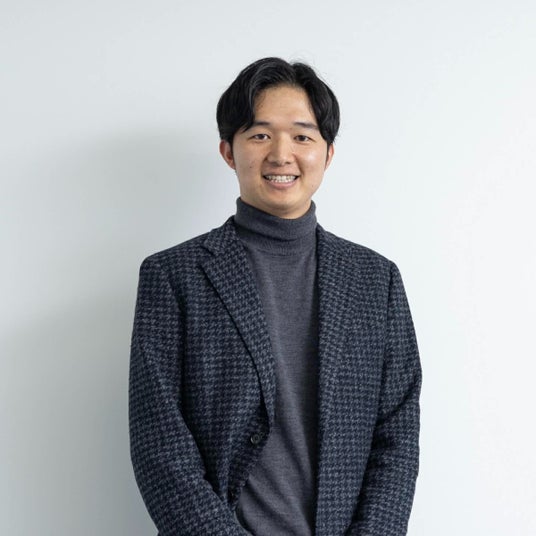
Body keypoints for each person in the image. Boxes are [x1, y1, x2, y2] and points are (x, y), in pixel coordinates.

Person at [129, 57, 421, 536]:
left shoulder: (376, 280)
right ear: (228, 151)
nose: (282, 154)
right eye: (260, 134)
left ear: (328, 153)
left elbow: (397, 435)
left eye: (302, 137)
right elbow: (159, 446)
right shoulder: (173, 276)